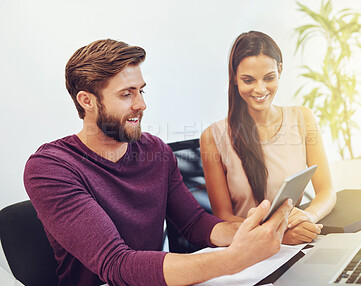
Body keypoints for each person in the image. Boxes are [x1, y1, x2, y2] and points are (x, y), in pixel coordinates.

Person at [23, 39, 292, 286]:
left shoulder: (155, 151)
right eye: (127, 94)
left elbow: (195, 224)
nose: (141, 104)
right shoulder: (50, 168)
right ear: (87, 101)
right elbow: (116, 264)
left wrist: (259, 233)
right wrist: (234, 260)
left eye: (141, 91)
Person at [200, 31, 336, 245]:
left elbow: (327, 191)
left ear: (279, 71)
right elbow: (223, 217)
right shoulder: (213, 137)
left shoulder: (302, 118)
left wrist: (308, 217)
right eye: (248, 80)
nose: (260, 89)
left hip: (296, 241)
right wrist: (278, 233)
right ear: (234, 77)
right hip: (249, 249)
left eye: (269, 78)